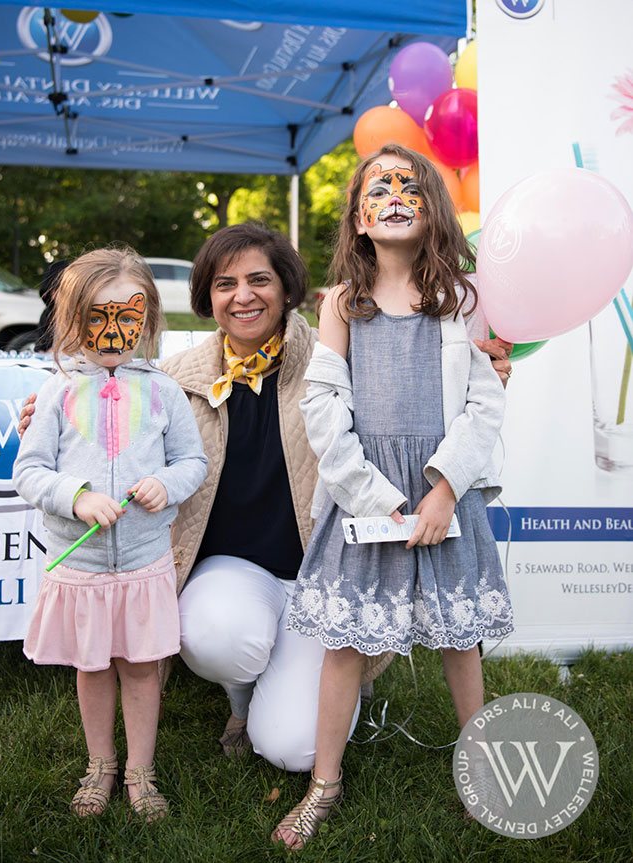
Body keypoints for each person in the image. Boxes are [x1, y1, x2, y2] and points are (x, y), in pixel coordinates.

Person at [18, 223, 512, 775]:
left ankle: (325, 676)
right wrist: (51, 423)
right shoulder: (172, 381)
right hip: (233, 575)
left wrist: (478, 376)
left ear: (287, 288)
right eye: (225, 283)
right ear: (207, 295)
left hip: (320, 578)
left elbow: (414, 398)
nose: (243, 296)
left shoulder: (338, 360)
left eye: (260, 279)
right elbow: (110, 422)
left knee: (293, 750)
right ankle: (240, 698)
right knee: (212, 633)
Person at [271, 145, 514, 850]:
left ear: (434, 205)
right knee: (346, 642)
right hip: (367, 495)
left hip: (443, 491)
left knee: (459, 639)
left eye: (411, 186)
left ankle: (483, 770)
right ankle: (324, 781)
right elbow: (324, 407)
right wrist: (376, 497)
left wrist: (440, 491)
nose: (397, 196)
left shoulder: (464, 299)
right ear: (357, 216)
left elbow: (483, 404)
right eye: (380, 188)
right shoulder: (342, 303)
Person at [13, 247, 207, 820]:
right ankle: (100, 764)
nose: (116, 329)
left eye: (130, 315)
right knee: (93, 667)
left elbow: (192, 462)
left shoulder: (164, 391)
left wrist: (164, 484)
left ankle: (140, 771)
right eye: (99, 316)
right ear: (73, 319)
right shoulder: (58, 392)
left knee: (142, 668)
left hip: (145, 560)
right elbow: (29, 472)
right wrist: (76, 497)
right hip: (84, 567)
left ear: (148, 318)